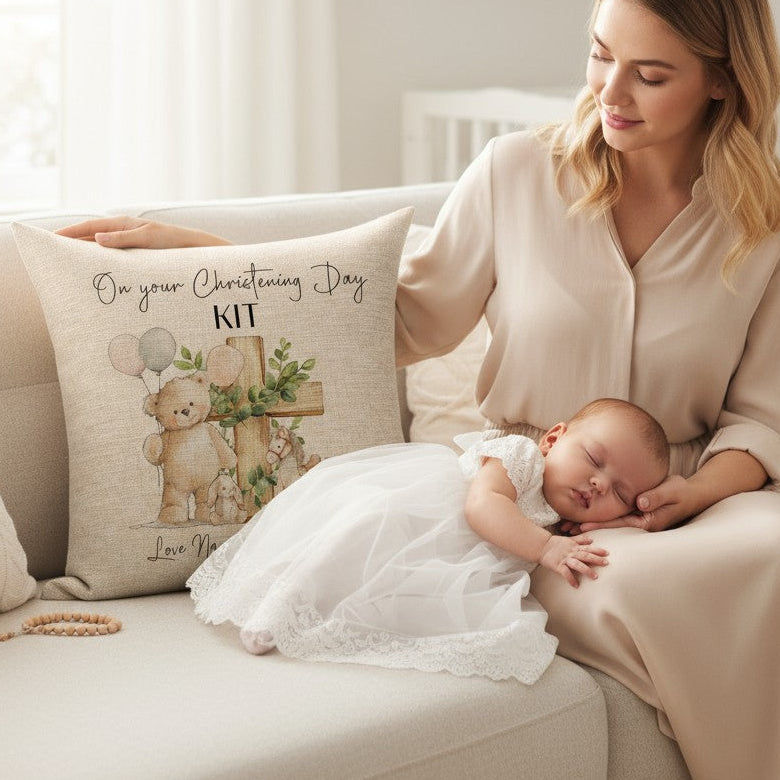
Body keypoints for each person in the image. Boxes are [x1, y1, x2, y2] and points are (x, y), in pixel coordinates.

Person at [56, 1, 780, 776]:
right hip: (547, 509)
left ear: (721, 81)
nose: (611, 92)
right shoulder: (518, 172)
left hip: (697, 497)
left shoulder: (762, 218)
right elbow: (396, 319)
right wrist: (206, 254)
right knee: (643, 584)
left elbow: (761, 416)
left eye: (651, 74)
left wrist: (697, 492)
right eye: (602, 56)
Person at [186, 398, 669, 685]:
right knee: (352, 538)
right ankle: (277, 604)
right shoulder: (521, 458)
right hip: (414, 511)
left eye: (621, 492)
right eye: (593, 458)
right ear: (553, 439)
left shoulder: (564, 520)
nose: (600, 484)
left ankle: (325, 613)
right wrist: (545, 549)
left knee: (385, 591)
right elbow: (483, 507)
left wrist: (628, 520)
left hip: (450, 556)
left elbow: (604, 526)